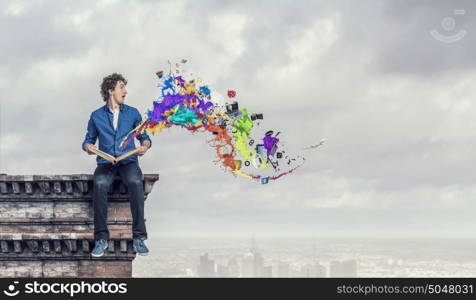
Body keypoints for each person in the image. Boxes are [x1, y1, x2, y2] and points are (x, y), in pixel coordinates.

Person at [82, 73, 151, 257]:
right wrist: (88, 147)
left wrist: (144, 146)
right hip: (106, 163)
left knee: (137, 183)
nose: (125, 91)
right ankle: (101, 239)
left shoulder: (133, 113)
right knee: (99, 184)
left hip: (128, 161)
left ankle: (139, 237)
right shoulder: (96, 116)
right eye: (122, 87)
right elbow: (88, 141)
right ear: (111, 91)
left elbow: (145, 137)